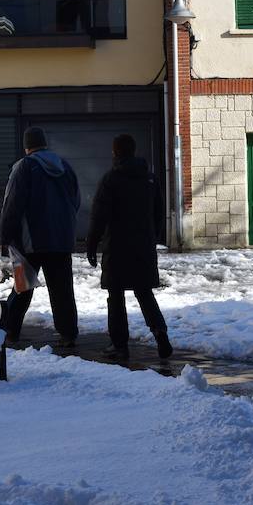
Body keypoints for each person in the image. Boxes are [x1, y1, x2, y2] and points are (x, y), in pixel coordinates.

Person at [86, 134, 172, 360]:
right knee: (144, 292)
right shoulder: (150, 178)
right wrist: (153, 237)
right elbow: (158, 213)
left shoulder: (111, 179)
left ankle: (119, 345)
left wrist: (92, 244)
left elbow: (98, 216)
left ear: (115, 153)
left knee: (116, 297)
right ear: (134, 152)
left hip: (117, 247)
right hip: (143, 247)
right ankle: (160, 332)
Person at [0, 127, 81, 347]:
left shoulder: (23, 167)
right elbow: (76, 201)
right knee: (62, 290)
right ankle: (68, 333)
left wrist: (6, 237)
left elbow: (12, 205)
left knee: (22, 287)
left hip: (30, 241)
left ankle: (9, 330)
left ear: (27, 146)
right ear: (44, 143)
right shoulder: (65, 166)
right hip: (62, 240)